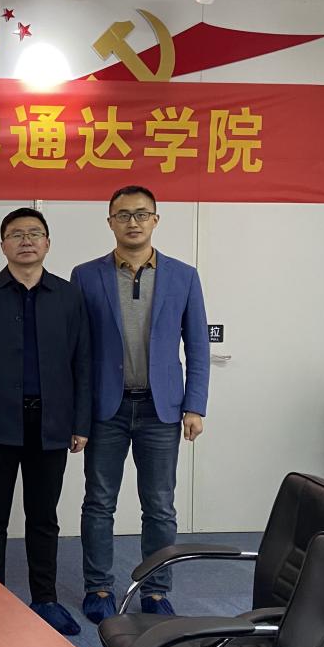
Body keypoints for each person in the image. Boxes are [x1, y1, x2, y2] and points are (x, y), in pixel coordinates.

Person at [73, 185, 209, 622]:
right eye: (123, 214)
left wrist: (195, 405)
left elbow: (198, 346)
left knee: (160, 505)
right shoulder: (86, 275)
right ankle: (98, 587)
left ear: (155, 220)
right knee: (99, 502)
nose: (132, 222)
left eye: (141, 214)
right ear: (110, 221)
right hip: (106, 409)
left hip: (161, 409)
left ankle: (155, 590)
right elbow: (78, 349)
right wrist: (78, 412)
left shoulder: (184, 276)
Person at [0, 207, 91, 635]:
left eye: (35, 233)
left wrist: (80, 423)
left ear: (48, 243)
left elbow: (82, 363)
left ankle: (45, 598)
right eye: (16, 234)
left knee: (43, 515)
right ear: (3, 245)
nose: (26, 240)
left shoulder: (68, 296)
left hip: (51, 423)